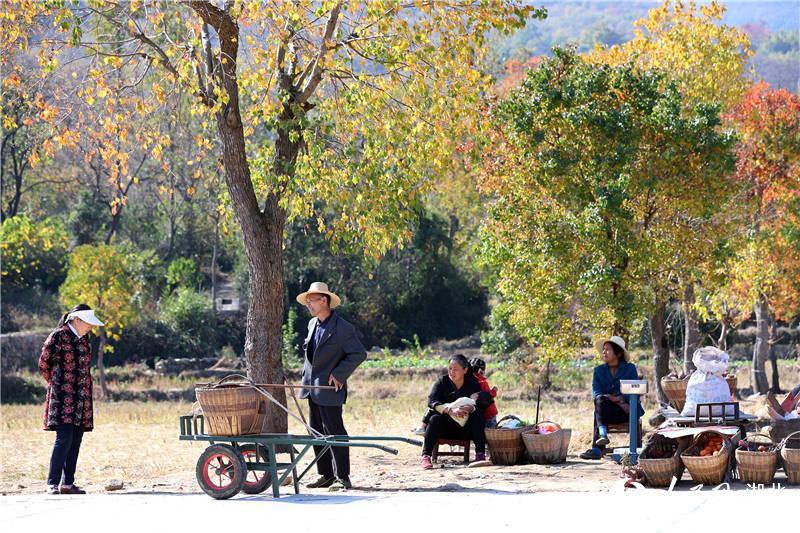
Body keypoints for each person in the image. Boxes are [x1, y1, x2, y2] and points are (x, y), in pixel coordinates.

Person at [297, 282, 367, 491]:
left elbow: (358, 354)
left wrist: (339, 374)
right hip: (311, 387)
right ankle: (325, 475)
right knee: (316, 432)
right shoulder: (312, 324)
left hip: (329, 389)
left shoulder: (343, 328)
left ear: (324, 301)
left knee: (335, 430)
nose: (309, 304)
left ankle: (343, 477)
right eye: (307, 301)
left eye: (312, 300)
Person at [38, 303, 105, 495]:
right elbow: (44, 363)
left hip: (81, 397)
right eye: (88, 323)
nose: (91, 327)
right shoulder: (58, 336)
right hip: (62, 396)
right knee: (64, 437)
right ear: (77, 320)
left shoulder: (85, 340)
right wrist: (57, 383)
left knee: (76, 438)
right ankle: (52, 482)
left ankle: (68, 483)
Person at [580, 336, 644, 460]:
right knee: (599, 402)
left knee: (599, 409)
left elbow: (635, 389)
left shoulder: (630, 368)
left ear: (618, 353)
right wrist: (619, 400)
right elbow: (596, 393)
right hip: (608, 410)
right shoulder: (598, 371)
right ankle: (603, 436)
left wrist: (619, 400)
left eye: (607, 349)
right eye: (603, 349)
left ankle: (596, 449)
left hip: (627, 412)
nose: (604, 352)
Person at [420, 354, 487, 469]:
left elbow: (479, 403)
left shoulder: (473, 384)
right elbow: (431, 401)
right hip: (445, 428)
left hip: (465, 429)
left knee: (478, 414)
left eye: (455, 369)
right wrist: (450, 411)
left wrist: (470, 408)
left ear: (465, 370)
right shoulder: (442, 382)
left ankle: (480, 454)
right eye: (450, 368)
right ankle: (426, 456)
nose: (451, 372)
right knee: (434, 418)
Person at [469, 357, 498, 428]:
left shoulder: (470, 381)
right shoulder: (481, 382)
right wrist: (494, 391)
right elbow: (487, 396)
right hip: (489, 412)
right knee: (492, 433)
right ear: (481, 371)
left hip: (482, 413)